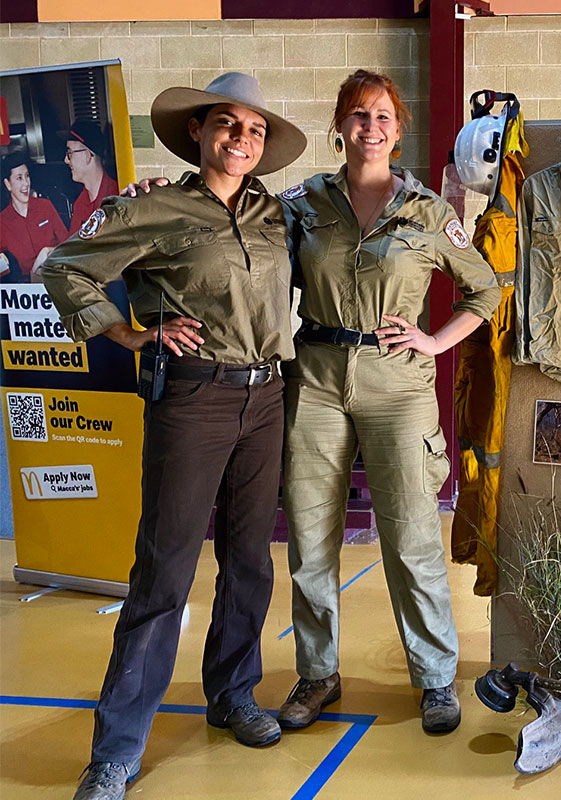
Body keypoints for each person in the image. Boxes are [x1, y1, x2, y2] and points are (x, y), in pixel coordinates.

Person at [42, 73, 307, 800]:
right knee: (165, 572)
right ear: (198, 130)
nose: (240, 140)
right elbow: (61, 265)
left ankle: (232, 694)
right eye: (227, 124)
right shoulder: (154, 206)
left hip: (268, 397)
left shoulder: (279, 215)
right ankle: (118, 750)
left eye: (254, 130)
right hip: (193, 400)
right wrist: (129, 333)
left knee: (250, 560)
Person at [273, 70, 500, 735]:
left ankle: (434, 678)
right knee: (311, 539)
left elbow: (484, 293)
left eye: (382, 118)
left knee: (411, 534)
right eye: (358, 115)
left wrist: (434, 342)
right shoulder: (302, 205)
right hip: (314, 376)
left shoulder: (428, 212)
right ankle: (317, 673)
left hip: (398, 383)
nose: (369, 128)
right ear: (339, 125)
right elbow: (239, 244)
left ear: (398, 132)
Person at [0, 151, 68, 282]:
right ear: (8, 184)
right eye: (19, 178)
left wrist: (48, 251)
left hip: (56, 279)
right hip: (26, 293)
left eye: (27, 176)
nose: (26, 183)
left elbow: (67, 245)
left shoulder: (45, 207)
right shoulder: (2, 222)